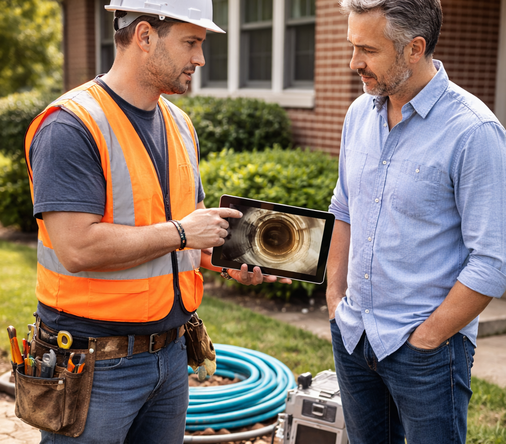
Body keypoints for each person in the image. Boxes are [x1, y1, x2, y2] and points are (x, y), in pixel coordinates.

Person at [24, 1, 289, 442]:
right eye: (191, 42)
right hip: (93, 364)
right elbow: (77, 249)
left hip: (169, 357)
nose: (201, 59)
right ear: (144, 36)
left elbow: (182, 242)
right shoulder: (71, 126)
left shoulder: (180, 125)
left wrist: (227, 260)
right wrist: (185, 232)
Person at [326, 0, 506, 443]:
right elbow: (344, 208)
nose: (354, 64)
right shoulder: (357, 114)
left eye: (367, 50)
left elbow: (493, 260)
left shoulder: (474, 132)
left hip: (426, 351)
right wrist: (335, 299)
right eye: (352, 47)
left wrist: (428, 338)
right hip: (354, 335)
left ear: (414, 48)